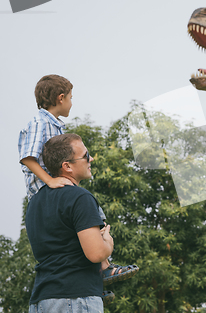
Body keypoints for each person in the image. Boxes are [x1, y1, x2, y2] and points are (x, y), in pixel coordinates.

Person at [18, 75, 138, 293]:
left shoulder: (55, 125)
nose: (73, 103)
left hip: (56, 187)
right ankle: (104, 267)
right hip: (47, 188)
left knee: (80, 232)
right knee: (92, 216)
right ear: (61, 98)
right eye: (71, 98)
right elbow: (27, 157)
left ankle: (98, 278)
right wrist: (50, 180)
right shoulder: (40, 123)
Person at [26, 134, 112, 312]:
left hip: (41, 300)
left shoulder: (34, 202)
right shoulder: (80, 198)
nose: (91, 159)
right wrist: (108, 242)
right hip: (75, 299)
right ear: (67, 166)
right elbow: (96, 254)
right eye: (86, 156)